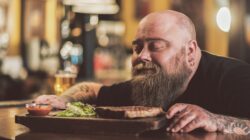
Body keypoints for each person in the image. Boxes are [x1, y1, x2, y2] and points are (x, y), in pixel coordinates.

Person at [35, 10, 250, 135]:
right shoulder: (149, 84)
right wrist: (63, 100)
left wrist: (217, 121)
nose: (142, 56)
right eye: (137, 47)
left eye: (155, 46)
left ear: (190, 51)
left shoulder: (235, 78)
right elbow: (91, 90)